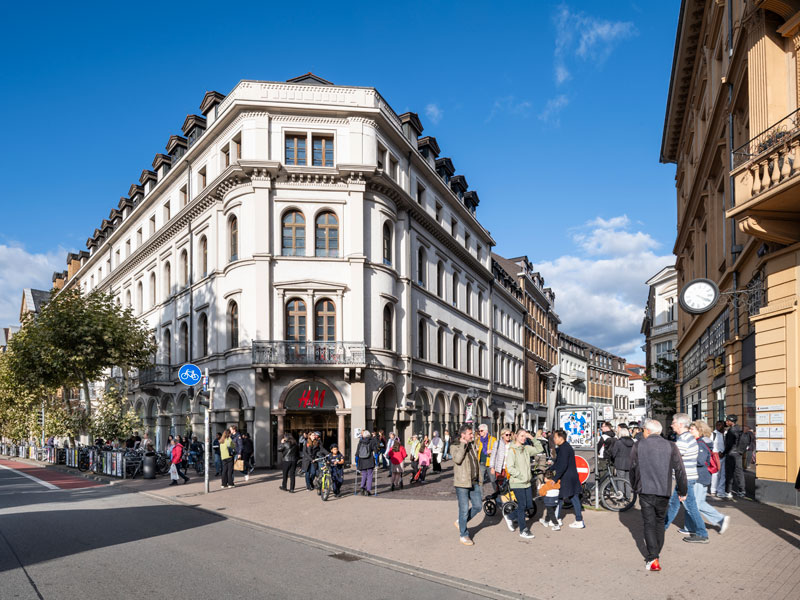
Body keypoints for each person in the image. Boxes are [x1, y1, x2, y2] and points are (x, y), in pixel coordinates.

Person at [629, 419, 688, 571]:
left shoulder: (638, 445)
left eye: (643, 430)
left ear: (647, 431)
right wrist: (683, 490)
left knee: (649, 523)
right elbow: (680, 470)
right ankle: (655, 555)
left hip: (645, 490)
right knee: (659, 522)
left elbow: (633, 469)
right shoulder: (670, 445)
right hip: (663, 491)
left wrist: (635, 487)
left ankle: (653, 557)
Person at [664, 413, 708, 543]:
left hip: (685, 478)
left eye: (673, 422)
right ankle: (662, 527)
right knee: (674, 504)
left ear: (680, 424)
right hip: (686, 477)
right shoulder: (687, 437)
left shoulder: (684, 439)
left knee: (690, 506)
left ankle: (702, 533)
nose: (671, 425)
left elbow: (674, 457)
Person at [690, 420, 730, 535]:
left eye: (692, 429)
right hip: (702, 475)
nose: (689, 431)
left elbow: (700, 460)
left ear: (699, 430)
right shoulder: (701, 442)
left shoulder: (700, 443)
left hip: (700, 475)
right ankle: (720, 519)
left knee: (696, 504)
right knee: (700, 502)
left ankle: (699, 529)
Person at [505, 428, 543, 539]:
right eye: (521, 436)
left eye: (525, 436)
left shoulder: (526, 448)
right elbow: (510, 468)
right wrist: (520, 475)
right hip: (517, 482)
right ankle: (523, 530)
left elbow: (539, 448)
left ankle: (510, 516)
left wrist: (532, 438)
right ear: (516, 436)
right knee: (522, 506)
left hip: (527, 482)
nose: (523, 438)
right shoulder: (512, 450)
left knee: (529, 505)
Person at [452, 423, 482, 546]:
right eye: (470, 434)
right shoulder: (455, 446)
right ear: (463, 435)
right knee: (464, 509)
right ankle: (464, 535)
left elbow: (475, 462)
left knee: (478, 506)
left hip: (474, 481)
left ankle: (461, 522)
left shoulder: (472, 445)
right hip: (462, 482)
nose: (472, 436)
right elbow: (458, 459)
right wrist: (463, 444)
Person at [552, 429, 584, 529]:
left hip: (567, 477)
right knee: (569, 497)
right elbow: (560, 463)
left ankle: (560, 519)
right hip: (571, 475)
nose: (554, 439)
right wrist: (551, 467)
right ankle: (560, 518)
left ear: (561, 438)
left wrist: (555, 478)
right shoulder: (565, 447)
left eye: (555, 437)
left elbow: (562, 465)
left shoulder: (564, 449)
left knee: (563, 497)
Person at [721, 414, 746, 498]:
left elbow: (729, 445)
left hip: (731, 454)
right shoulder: (739, 429)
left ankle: (728, 491)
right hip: (738, 454)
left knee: (729, 473)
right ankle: (742, 490)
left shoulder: (731, 431)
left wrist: (723, 453)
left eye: (727, 420)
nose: (726, 422)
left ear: (731, 421)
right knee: (739, 472)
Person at [355, 430, 378, 495]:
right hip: (369, 460)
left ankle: (362, 486)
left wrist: (356, 461)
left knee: (364, 474)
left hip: (362, 460)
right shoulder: (372, 441)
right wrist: (376, 460)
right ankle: (368, 490)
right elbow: (375, 451)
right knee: (370, 475)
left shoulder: (360, 442)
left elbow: (357, 452)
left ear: (363, 436)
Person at [475, 424, 496, 489]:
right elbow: (477, 449)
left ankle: (498, 496)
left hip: (490, 463)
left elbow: (498, 450)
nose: (480, 432)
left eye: (481, 431)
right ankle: (479, 498)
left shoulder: (493, 439)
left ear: (486, 431)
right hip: (481, 462)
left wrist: (492, 451)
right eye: (479, 431)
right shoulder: (479, 440)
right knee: (480, 481)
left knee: (493, 480)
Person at [711, 420, 727, 497]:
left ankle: (720, 490)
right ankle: (713, 489)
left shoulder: (726, 434)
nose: (718, 426)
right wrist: (716, 452)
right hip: (716, 455)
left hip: (725, 455)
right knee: (716, 473)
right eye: (717, 425)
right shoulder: (713, 434)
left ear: (723, 426)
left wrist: (724, 453)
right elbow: (711, 445)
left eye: (720, 425)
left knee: (723, 474)